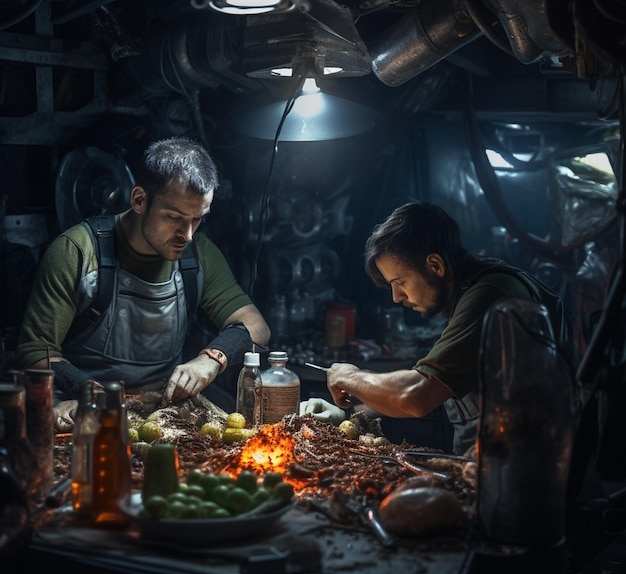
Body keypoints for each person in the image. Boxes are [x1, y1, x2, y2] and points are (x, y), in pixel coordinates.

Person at [16, 136, 270, 430]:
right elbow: (36, 350)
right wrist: (84, 390)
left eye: (197, 219)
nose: (186, 235)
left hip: (162, 411)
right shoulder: (77, 252)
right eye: (173, 217)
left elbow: (257, 327)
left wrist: (211, 359)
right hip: (79, 408)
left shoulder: (198, 255)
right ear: (139, 200)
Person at [311, 201, 574, 457]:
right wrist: (346, 414)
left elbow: (416, 395)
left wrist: (349, 377)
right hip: (505, 467)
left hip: (523, 476)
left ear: (435, 265)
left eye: (400, 282)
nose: (396, 297)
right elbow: (434, 390)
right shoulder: (476, 288)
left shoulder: (489, 296)